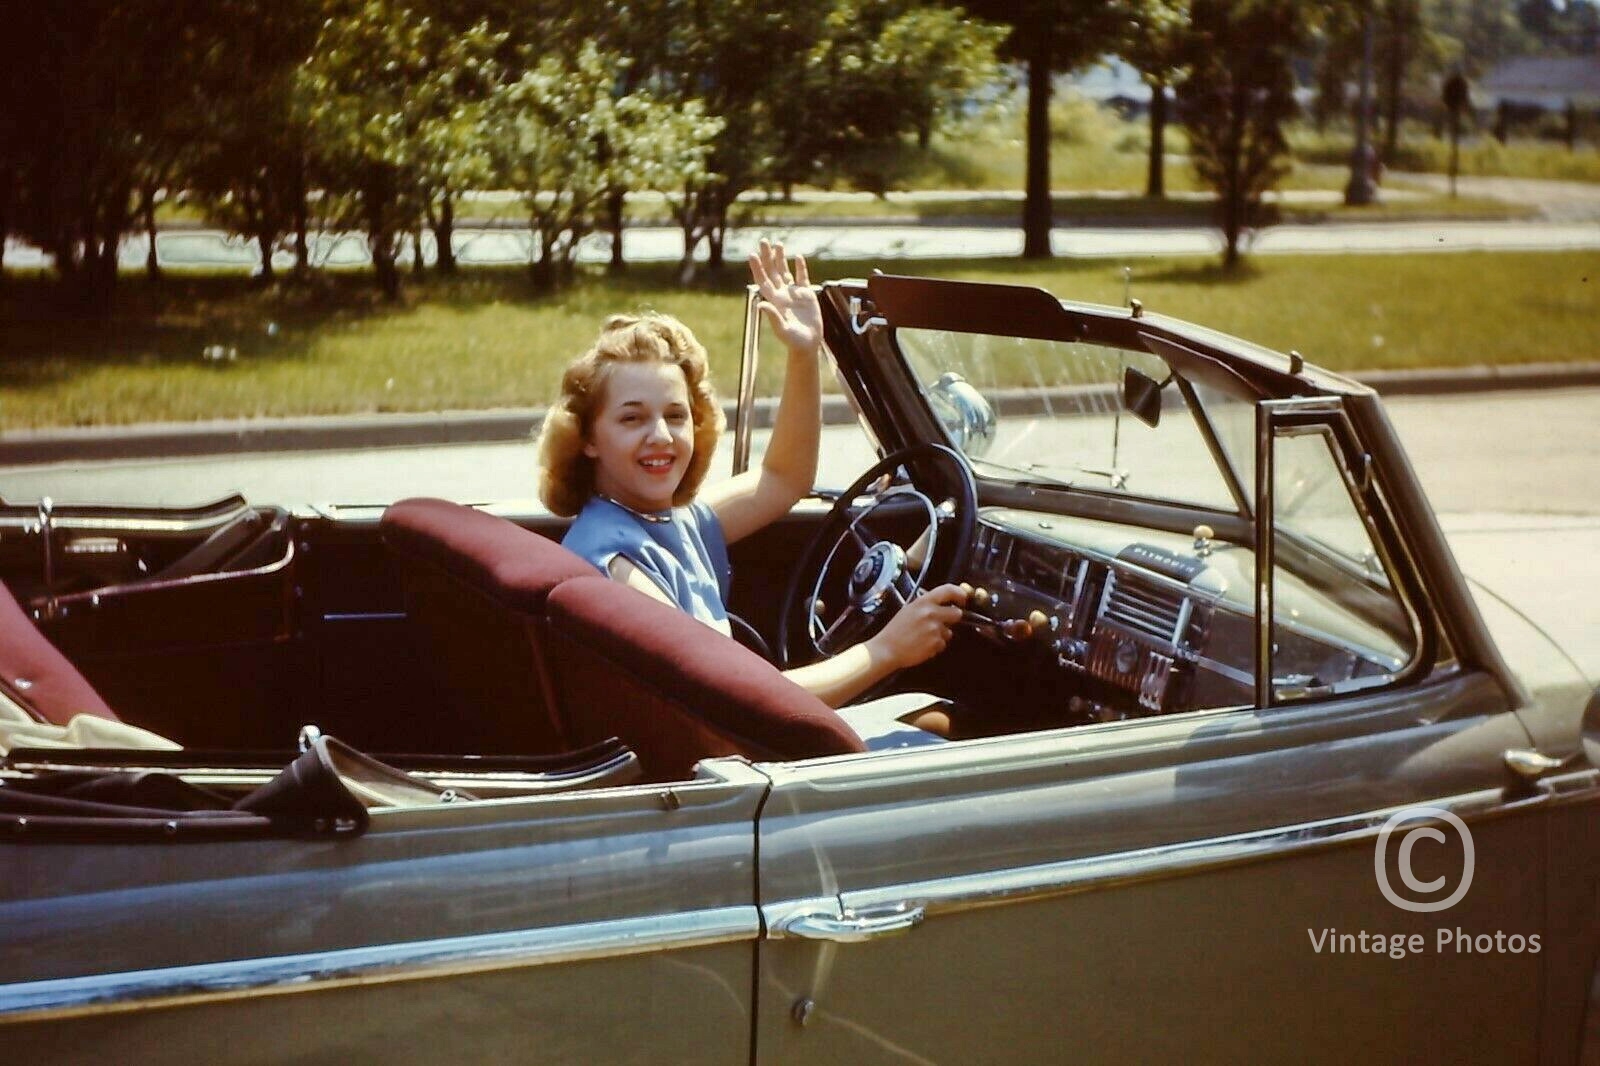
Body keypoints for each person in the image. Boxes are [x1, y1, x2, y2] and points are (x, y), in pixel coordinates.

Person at [537, 239, 967, 722]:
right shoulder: (616, 568)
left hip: (727, 745)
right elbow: (733, 701)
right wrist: (886, 650)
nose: (661, 436)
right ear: (587, 438)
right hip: (715, 764)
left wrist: (803, 352)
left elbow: (782, 479)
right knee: (944, 723)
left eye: (676, 416)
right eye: (631, 419)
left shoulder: (664, 520)